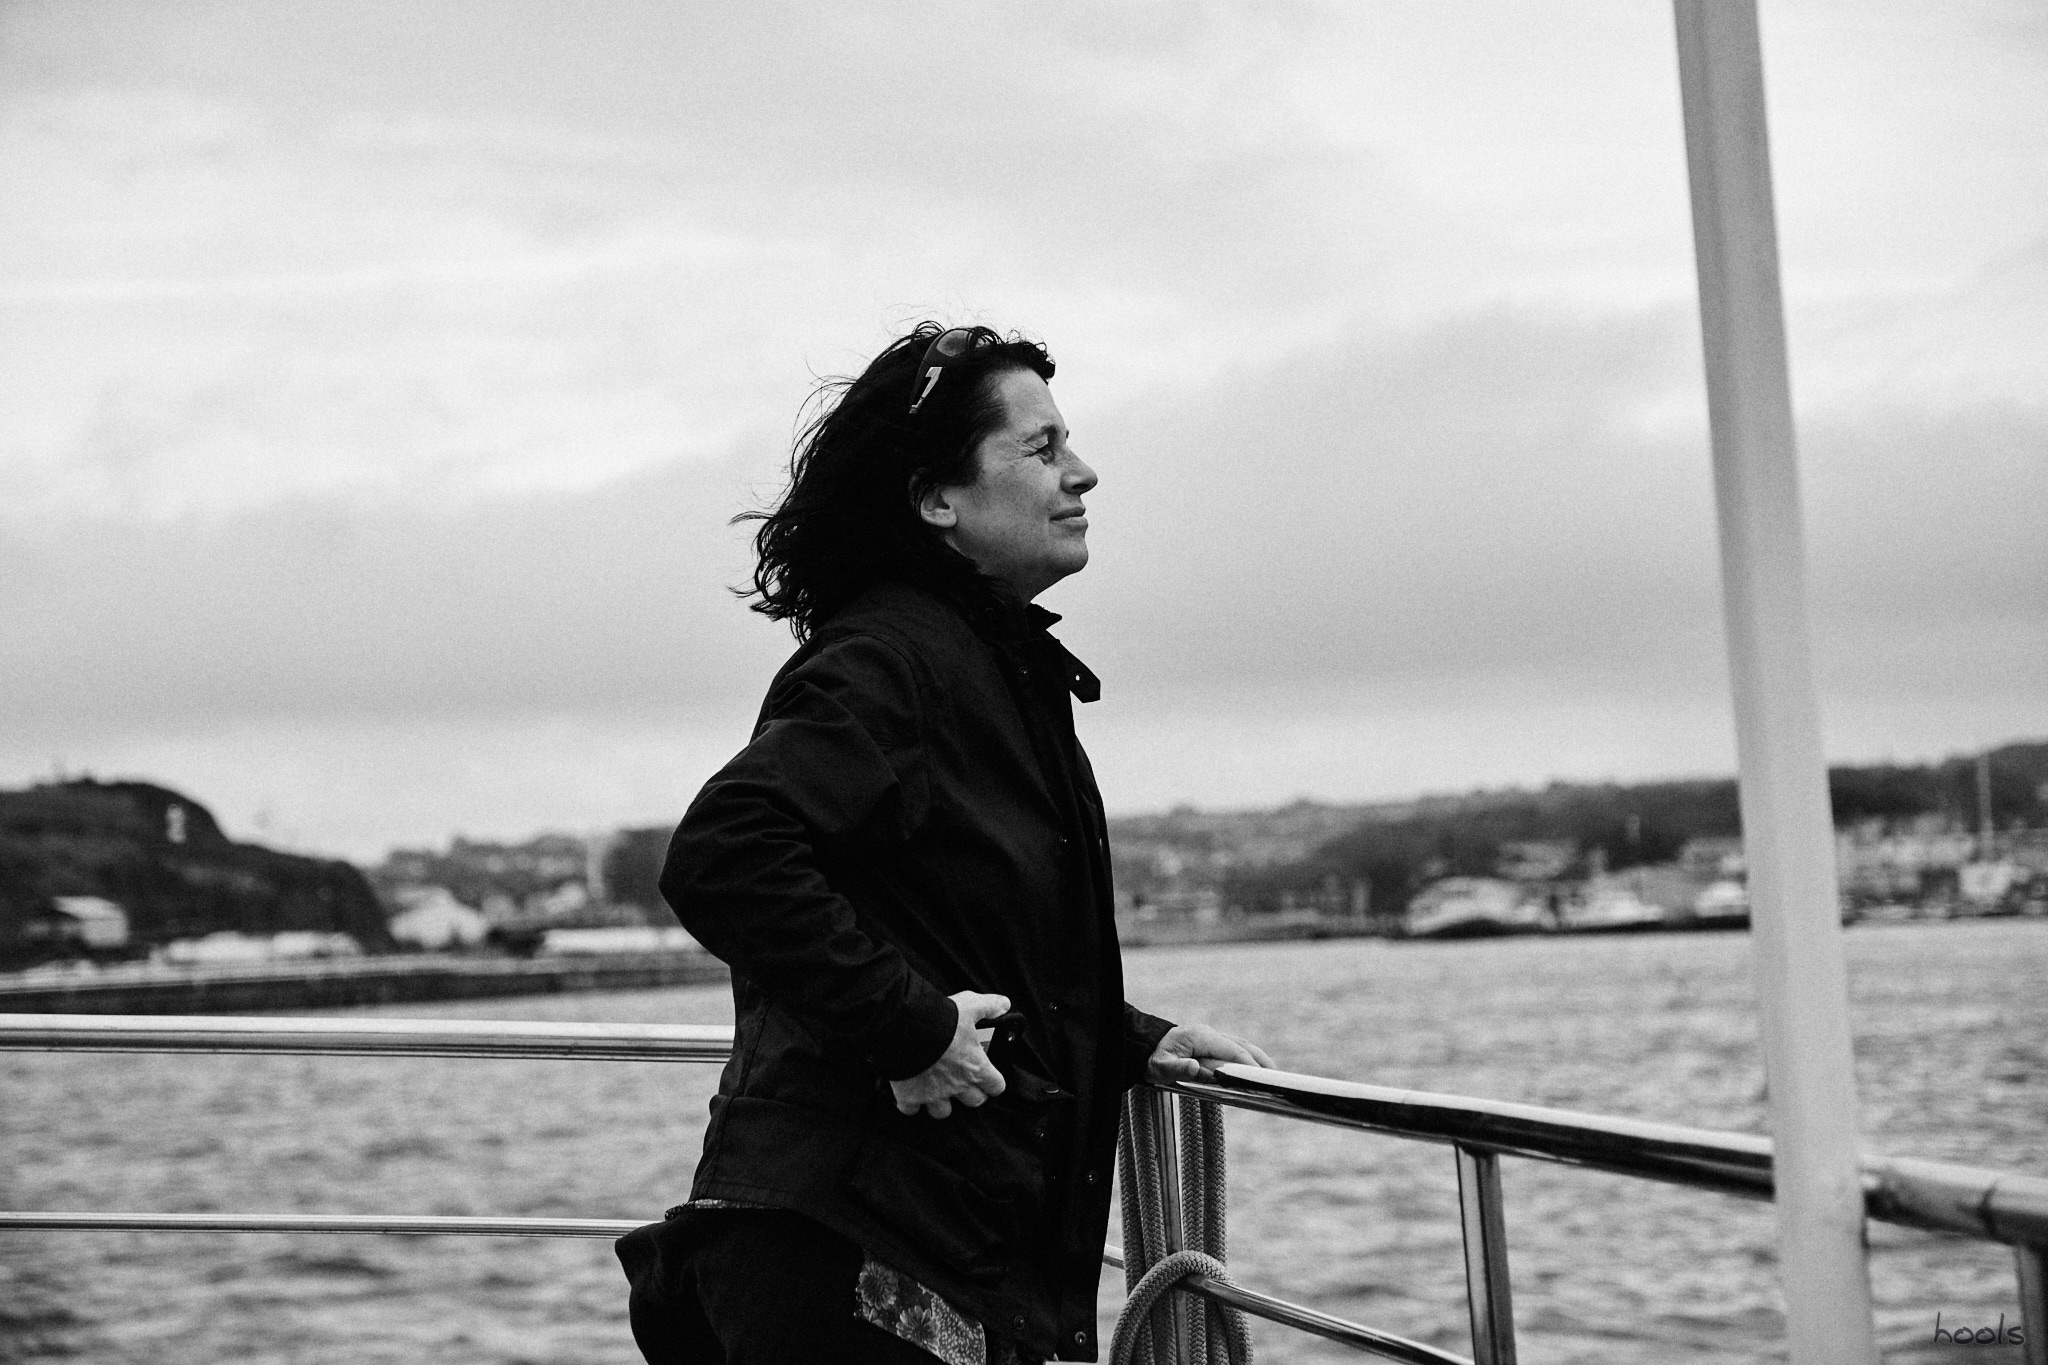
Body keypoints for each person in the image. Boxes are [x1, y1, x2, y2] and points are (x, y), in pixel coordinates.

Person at [617, 323, 1271, 1365]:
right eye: (1041, 447)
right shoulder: (892, 661)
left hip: (926, 1251)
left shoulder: (984, 667)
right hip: (854, 1262)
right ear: (936, 499)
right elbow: (726, 855)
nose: (1082, 472)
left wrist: (1125, 1039)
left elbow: (959, 933)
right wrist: (909, 1031)